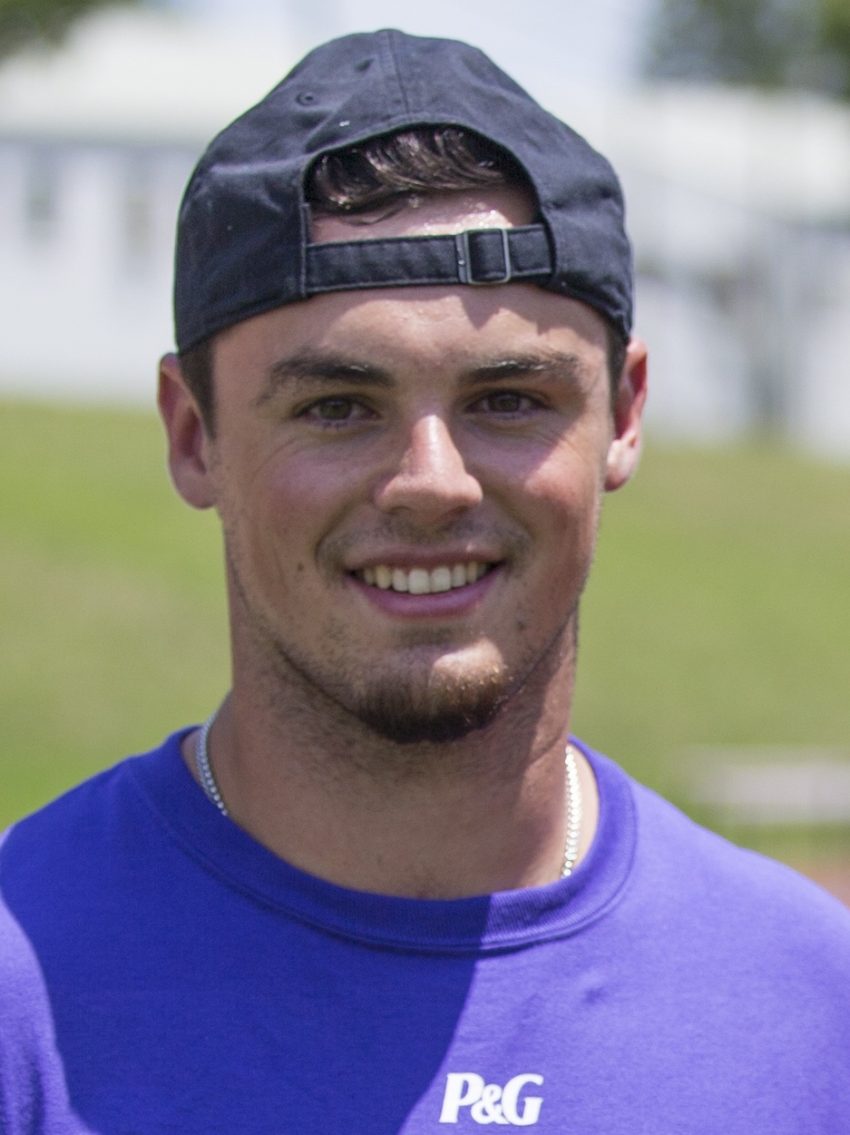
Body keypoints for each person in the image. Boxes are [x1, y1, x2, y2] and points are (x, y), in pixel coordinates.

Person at [2, 28, 849, 1134]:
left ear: (623, 413)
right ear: (193, 434)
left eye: (509, 400)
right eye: (336, 407)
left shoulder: (808, 1007)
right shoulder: (23, 977)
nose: (432, 482)